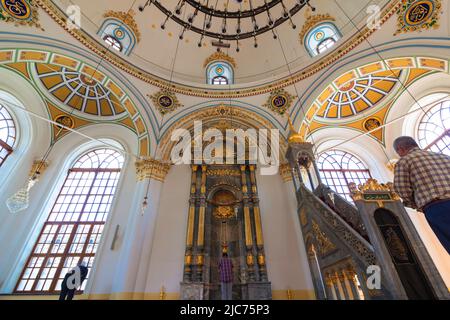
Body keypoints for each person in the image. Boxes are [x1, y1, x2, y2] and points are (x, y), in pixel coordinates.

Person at [393, 136, 450, 254]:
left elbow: (401, 189)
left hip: (438, 208)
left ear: (400, 149)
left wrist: (415, 203)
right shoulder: (443, 156)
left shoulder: (405, 161)